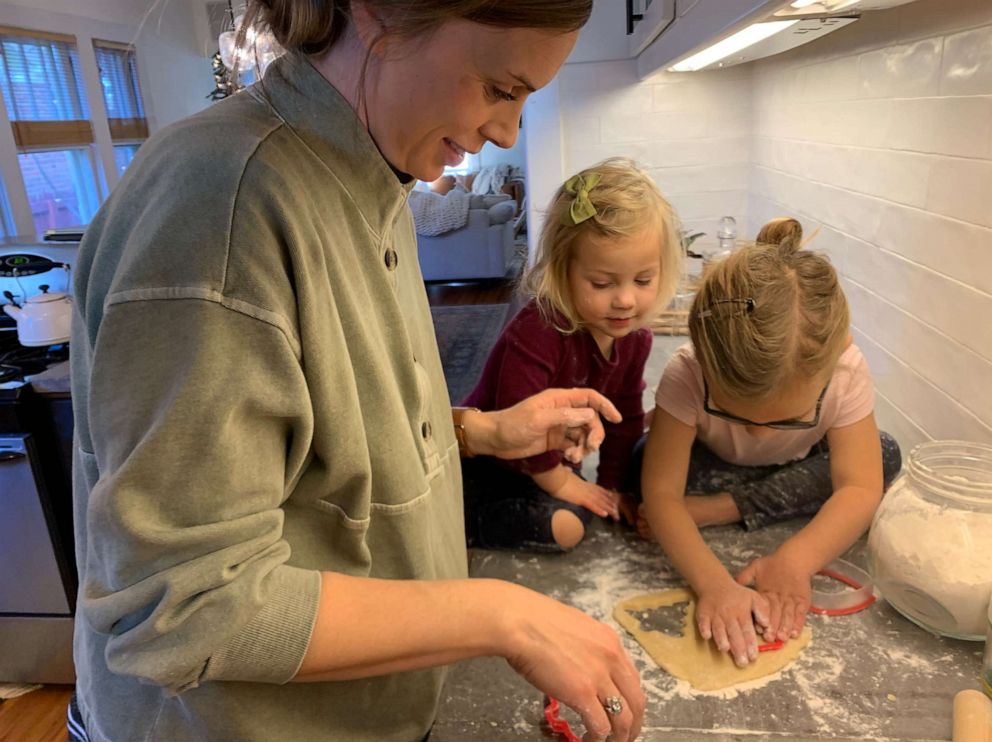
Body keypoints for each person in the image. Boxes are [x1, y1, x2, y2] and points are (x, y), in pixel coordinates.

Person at [67, 2, 648, 741]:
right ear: (377, 15)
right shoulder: (223, 205)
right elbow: (179, 611)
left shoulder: (373, 172)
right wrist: (503, 616)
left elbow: (314, 441)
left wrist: (476, 432)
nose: (507, 131)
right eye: (503, 89)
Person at [633, 217, 901, 668]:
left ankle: (726, 506)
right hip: (715, 461)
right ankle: (741, 500)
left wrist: (797, 559)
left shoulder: (846, 369)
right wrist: (714, 584)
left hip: (791, 465)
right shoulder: (687, 370)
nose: (758, 432)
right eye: (733, 411)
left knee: (885, 452)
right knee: (638, 465)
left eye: (789, 418)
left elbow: (859, 487)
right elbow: (659, 495)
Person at [461, 158, 682, 552]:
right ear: (562, 271)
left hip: (555, 459)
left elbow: (625, 416)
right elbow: (518, 420)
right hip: (487, 462)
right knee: (568, 529)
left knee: (621, 483)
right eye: (602, 283)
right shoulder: (538, 330)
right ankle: (462, 521)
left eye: (644, 280)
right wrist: (564, 484)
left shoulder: (634, 338)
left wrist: (611, 487)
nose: (626, 300)